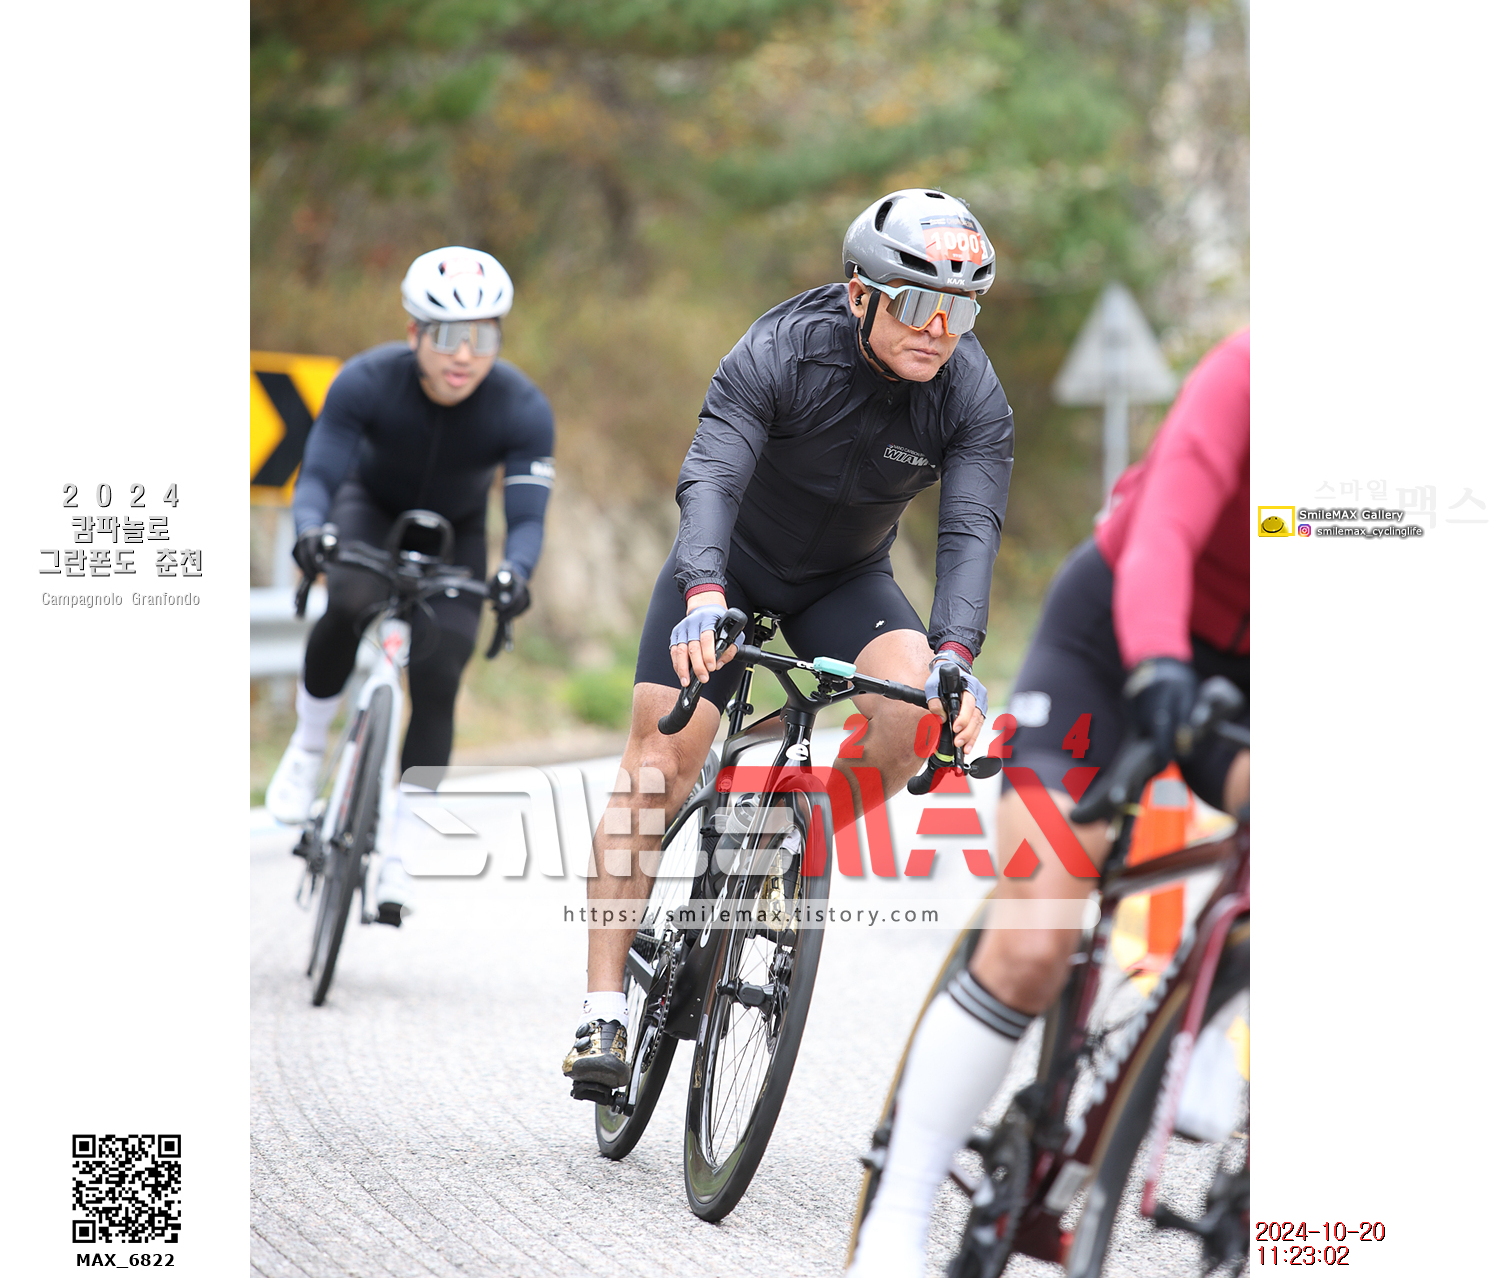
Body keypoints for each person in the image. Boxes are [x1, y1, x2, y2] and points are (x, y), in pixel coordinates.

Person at [562, 189, 1015, 1091]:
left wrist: (956, 658)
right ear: (860, 295)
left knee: (915, 717)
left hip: (845, 581)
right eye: (919, 302)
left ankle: (779, 845)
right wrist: (702, 594)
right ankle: (601, 1013)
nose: (939, 330)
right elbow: (712, 478)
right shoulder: (781, 350)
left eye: (961, 309)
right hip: (726, 569)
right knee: (658, 767)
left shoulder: (971, 395)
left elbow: (970, 533)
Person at [847, 327, 1250, 1277]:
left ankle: (1216, 1026)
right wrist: (1159, 664)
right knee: (1035, 936)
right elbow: (1165, 532)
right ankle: (897, 1218)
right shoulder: (1251, 372)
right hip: (1117, 638)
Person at [263, 246, 554, 922]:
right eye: (447, 335)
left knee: (442, 667)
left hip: (457, 532)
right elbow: (319, 476)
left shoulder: (523, 407)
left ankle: (403, 847)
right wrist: (311, 529)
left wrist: (515, 572)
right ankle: (308, 747)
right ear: (414, 333)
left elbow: (527, 518)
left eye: (482, 337)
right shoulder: (365, 380)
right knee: (349, 603)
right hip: (368, 511)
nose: (464, 356)